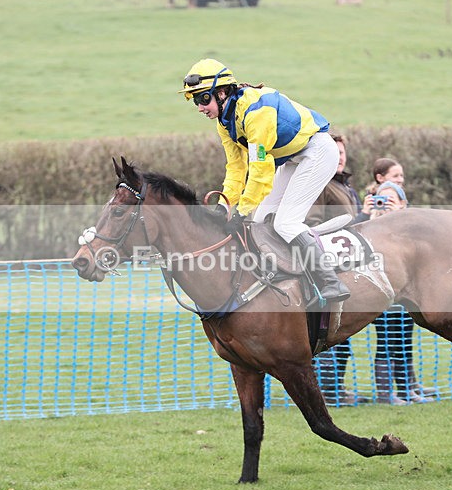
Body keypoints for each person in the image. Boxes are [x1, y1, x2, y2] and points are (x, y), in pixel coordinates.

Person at [179, 58, 350, 306]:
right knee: (256, 222)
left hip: (318, 152)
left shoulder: (256, 111)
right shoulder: (225, 123)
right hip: (293, 159)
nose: (200, 107)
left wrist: (243, 208)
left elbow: (260, 168)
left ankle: (329, 281)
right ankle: (280, 279)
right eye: (196, 101)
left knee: (285, 222)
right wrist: (225, 205)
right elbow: (236, 168)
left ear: (223, 92)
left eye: (203, 99)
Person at [367, 159, 438, 404]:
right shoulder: (373, 219)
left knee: (404, 338)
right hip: (385, 286)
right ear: (379, 180)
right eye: (395, 176)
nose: (400, 180)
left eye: (401, 176)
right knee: (388, 339)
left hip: (406, 288)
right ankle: (387, 394)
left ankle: (408, 389)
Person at [306, 135, 370, 406]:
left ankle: (336, 390)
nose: (340, 156)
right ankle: (326, 393)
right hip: (330, 264)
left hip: (350, 262)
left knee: (342, 336)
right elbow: (313, 224)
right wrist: (362, 219)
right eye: (335, 152)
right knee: (329, 334)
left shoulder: (344, 185)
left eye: (342, 152)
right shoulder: (321, 184)